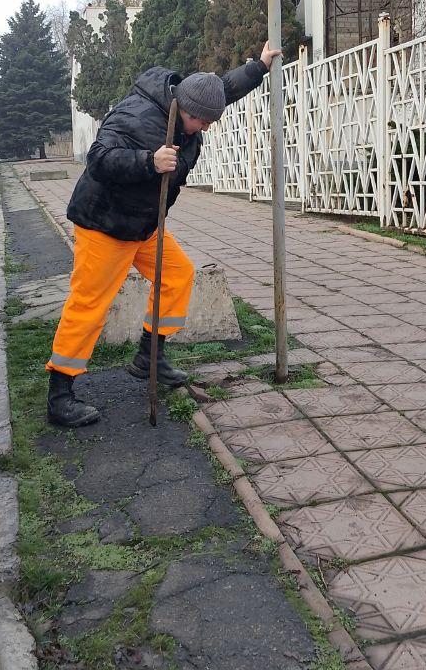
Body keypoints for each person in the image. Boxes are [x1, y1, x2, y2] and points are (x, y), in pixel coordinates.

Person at [46, 43, 281, 428]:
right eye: (201, 123)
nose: (205, 129)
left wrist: (259, 66)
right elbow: (99, 160)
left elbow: (222, 87)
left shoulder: (190, 101)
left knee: (177, 275)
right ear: (183, 110)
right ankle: (60, 393)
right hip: (105, 223)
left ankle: (148, 357)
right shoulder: (134, 117)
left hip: (143, 223)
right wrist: (148, 161)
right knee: (90, 304)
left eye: (208, 123)